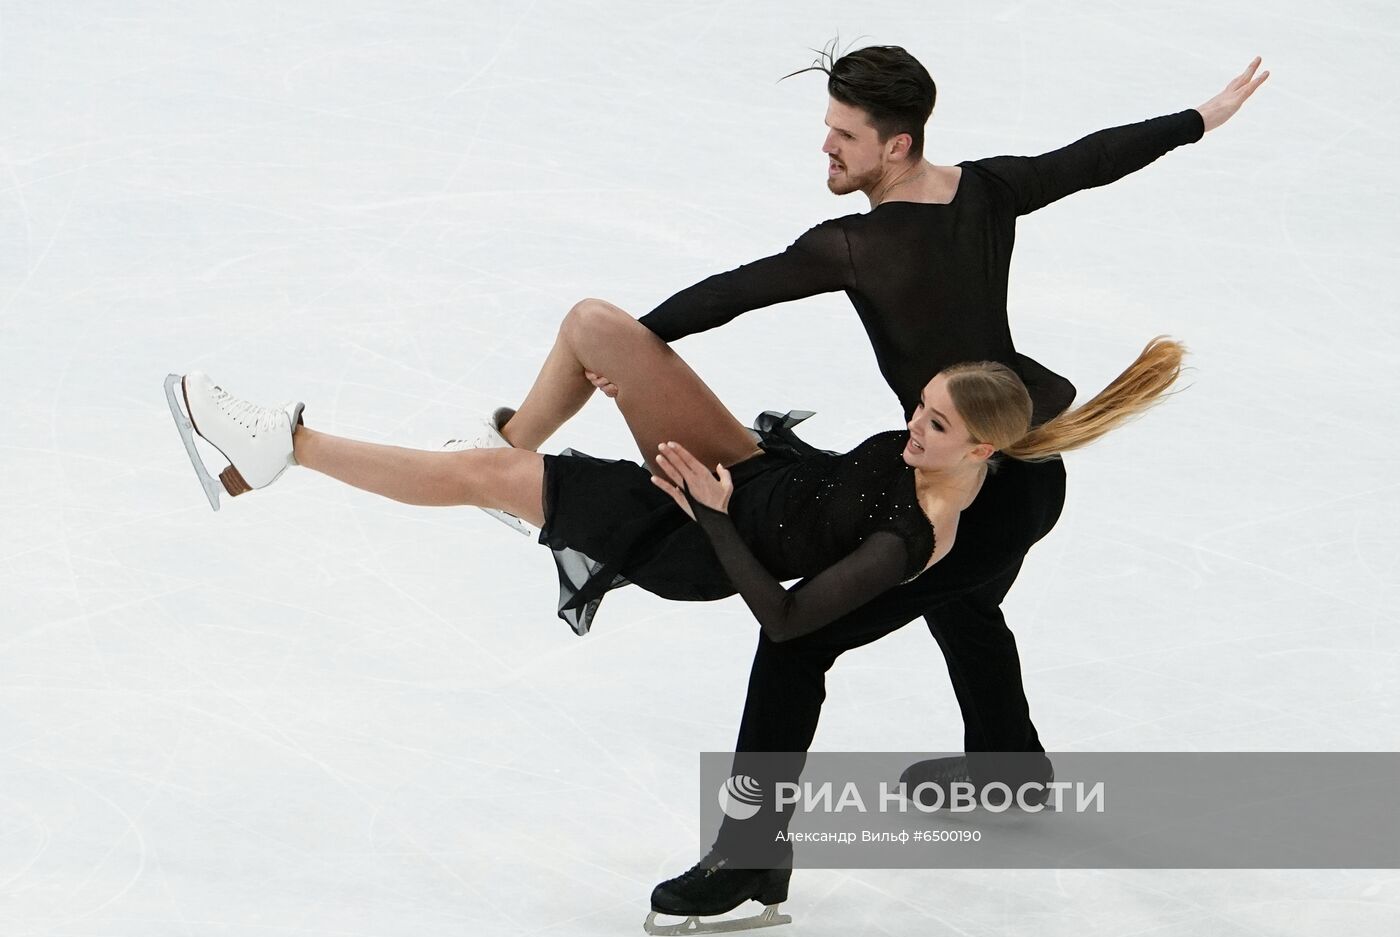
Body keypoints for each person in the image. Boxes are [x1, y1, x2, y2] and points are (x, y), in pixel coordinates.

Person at [449, 44, 1265, 931]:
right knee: (965, 601)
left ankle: (749, 858)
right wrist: (1198, 119)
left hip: (970, 484)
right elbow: (1089, 160)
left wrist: (632, 349)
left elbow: (733, 294)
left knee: (801, 644)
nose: (826, 150)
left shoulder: (858, 245)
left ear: (898, 146)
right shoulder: (986, 190)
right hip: (1019, 474)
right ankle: (1008, 769)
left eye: (844, 135)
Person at [165, 326, 1181, 653]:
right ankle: (508, 452)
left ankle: (278, 446)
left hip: (703, 540)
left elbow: (783, 621)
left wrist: (707, 508)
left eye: (934, 426)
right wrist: (734, 473)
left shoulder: (915, 541)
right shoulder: (935, 444)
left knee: (482, 475)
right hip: (747, 471)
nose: (911, 429)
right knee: (598, 324)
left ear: (980, 454)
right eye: (916, 409)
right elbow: (819, 479)